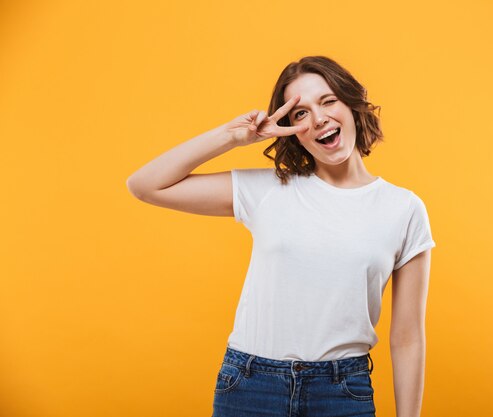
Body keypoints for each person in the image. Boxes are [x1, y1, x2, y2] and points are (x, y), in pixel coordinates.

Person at [126, 55, 436, 417]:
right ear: (291, 128)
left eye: (328, 100)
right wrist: (231, 137)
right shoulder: (270, 189)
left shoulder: (403, 209)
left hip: (341, 391)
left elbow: (408, 338)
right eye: (300, 113)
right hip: (251, 387)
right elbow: (145, 185)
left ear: (353, 106)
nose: (318, 118)